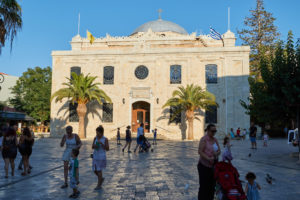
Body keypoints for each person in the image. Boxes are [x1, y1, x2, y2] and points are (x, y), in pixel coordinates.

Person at [198, 124, 221, 200]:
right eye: (212, 131)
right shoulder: (204, 139)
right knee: (204, 186)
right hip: (204, 166)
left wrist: (216, 154)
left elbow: (219, 151)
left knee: (212, 185)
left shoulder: (215, 140)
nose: (214, 133)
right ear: (207, 130)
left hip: (213, 166)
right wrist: (208, 158)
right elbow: (200, 151)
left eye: (215, 131)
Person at [92, 125, 109, 190]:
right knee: (94, 169)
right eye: (96, 133)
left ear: (101, 133)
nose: (97, 134)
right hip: (95, 155)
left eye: (98, 133)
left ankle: (99, 185)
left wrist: (102, 144)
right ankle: (101, 178)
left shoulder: (105, 139)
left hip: (101, 156)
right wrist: (95, 145)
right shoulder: (95, 138)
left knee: (99, 170)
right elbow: (92, 147)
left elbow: (107, 149)